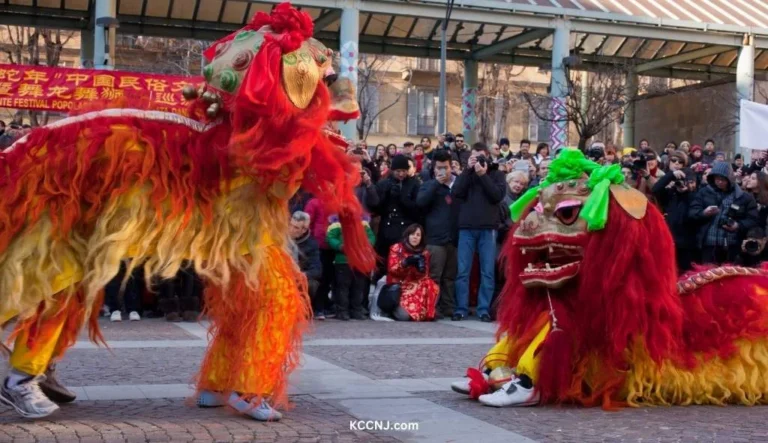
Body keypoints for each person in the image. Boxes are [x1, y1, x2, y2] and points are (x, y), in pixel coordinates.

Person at [452, 143, 506, 322]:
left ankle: (483, 309)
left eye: (481, 157)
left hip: (488, 228)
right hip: (466, 227)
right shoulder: (466, 174)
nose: (478, 161)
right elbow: (456, 192)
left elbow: (497, 195)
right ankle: (461, 308)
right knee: (463, 271)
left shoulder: (496, 174)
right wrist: (468, 170)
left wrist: (483, 175)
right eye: (474, 157)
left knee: (487, 272)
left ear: (488, 157)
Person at [689, 161, 759, 265]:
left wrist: (738, 225)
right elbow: (692, 212)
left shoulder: (744, 197)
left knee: (729, 278)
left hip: (732, 246)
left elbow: (753, 219)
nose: (719, 182)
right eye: (717, 178)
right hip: (708, 245)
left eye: (723, 179)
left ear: (729, 179)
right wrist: (704, 213)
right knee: (709, 276)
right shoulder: (704, 192)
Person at [416, 150, 459, 320]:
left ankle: (448, 306)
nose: (443, 171)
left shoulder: (457, 184)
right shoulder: (428, 185)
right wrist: (435, 184)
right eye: (439, 168)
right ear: (434, 169)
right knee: (434, 276)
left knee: (450, 276)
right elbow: (420, 202)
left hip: (454, 238)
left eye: (446, 167)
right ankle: (432, 307)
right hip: (435, 239)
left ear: (451, 167)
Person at [374, 155, 420, 274]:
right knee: (382, 264)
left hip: (404, 228)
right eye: (398, 171)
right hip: (386, 228)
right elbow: (376, 207)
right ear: (393, 170)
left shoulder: (414, 184)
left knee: (401, 264)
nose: (401, 174)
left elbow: (417, 209)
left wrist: (402, 197)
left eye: (404, 171)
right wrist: (386, 194)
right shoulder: (383, 183)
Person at [326, 214, 376, 321]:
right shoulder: (337, 224)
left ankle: (356, 309)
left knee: (358, 287)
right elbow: (330, 238)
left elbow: (371, 237)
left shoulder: (363, 224)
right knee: (343, 287)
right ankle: (342, 310)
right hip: (343, 260)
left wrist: (365, 245)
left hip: (359, 260)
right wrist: (340, 246)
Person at [386, 224, 439, 321]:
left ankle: (424, 311)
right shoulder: (397, 248)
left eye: (418, 235)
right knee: (404, 316)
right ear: (407, 235)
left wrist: (419, 268)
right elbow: (392, 270)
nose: (415, 237)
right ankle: (392, 309)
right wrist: (405, 263)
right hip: (399, 286)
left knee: (432, 285)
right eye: (412, 234)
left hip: (415, 287)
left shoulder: (424, 253)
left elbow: (423, 276)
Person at [652, 166, 698, 273]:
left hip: (688, 244)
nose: (683, 184)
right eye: (681, 181)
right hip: (670, 240)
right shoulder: (671, 194)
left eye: (688, 181)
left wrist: (689, 190)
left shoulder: (696, 195)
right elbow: (655, 189)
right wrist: (671, 175)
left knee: (687, 274)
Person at [290, 211, 322, 317]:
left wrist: (301, 275)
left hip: (298, 275)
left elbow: (317, 270)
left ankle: (301, 308)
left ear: (303, 230)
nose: (291, 229)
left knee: (312, 284)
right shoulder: (279, 237)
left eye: (296, 227)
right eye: (291, 225)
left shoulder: (311, 244)